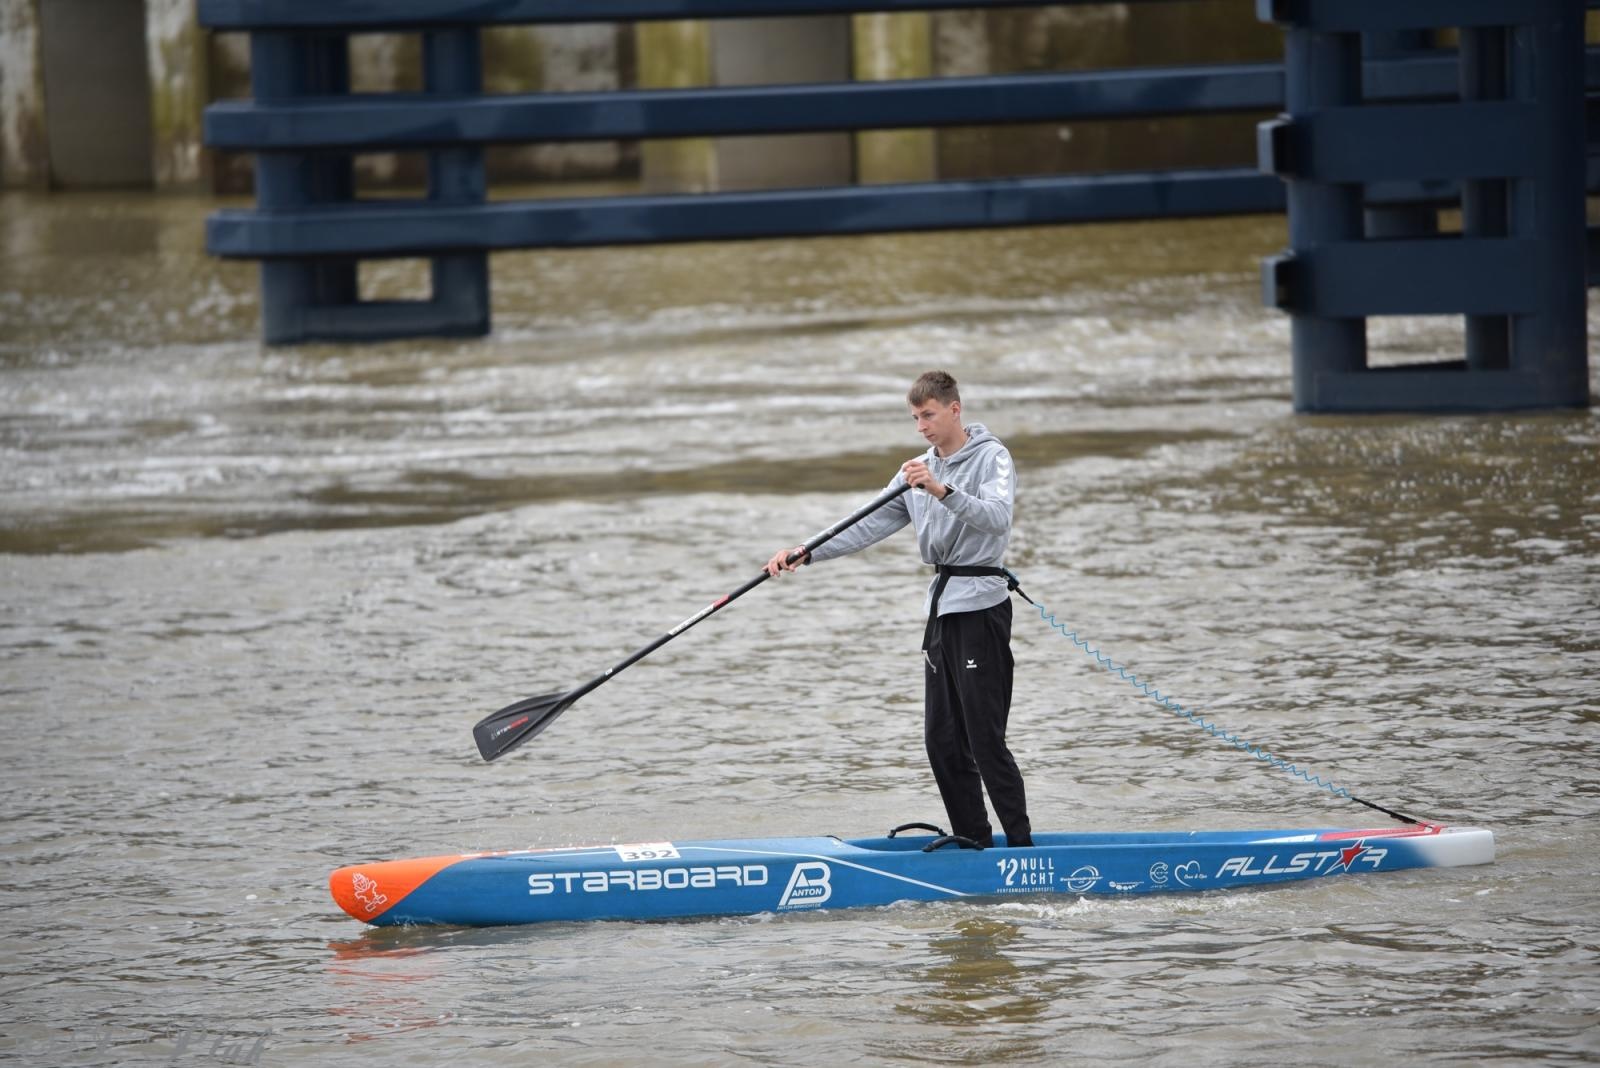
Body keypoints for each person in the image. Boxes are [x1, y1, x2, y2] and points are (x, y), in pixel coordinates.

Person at [765, 370, 1033, 849]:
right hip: (942, 609)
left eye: (928, 415)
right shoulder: (916, 468)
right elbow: (868, 522)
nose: (921, 427)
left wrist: (939, 490)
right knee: (942, 740)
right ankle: (975, 841)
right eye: (914, 417)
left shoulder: (992, 457)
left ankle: (1022, 846)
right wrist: (807, 551)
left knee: (983, 739)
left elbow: (997, 519)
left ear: (955, 409)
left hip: (981, 606)